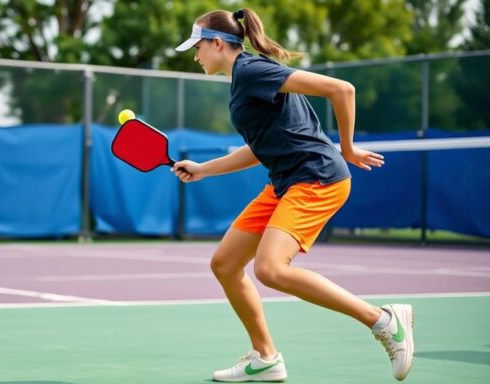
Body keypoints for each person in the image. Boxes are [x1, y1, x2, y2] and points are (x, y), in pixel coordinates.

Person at [171, 8, 414, 382]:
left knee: (270, 270)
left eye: (198, 47)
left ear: (218, 43)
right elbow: (258, 149)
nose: (195, 55)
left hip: (316, 178)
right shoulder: (243, 81)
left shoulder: (252, 71)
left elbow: (341, 89)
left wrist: (347, 148)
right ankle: (266, 357)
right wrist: (204, 170)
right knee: (225, 264)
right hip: (285, 181)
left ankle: (383, 320)